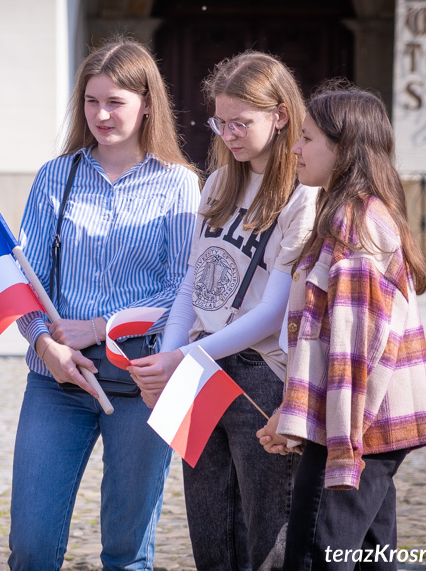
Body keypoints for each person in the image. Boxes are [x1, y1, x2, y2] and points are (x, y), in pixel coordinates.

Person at [9, 37, 201, 570]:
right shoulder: (56, 175)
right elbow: (26, 280)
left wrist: (96, 327)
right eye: (92, 101)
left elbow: (183, 287)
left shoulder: (179, 184)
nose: (101, 114)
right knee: (31, 548)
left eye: (115, 101)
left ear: (146, 103)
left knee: (126, 551)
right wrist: (46, 345)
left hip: (143, 381)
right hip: (57, 382)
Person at [127, 51, 319, 571]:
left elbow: (273, 311)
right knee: (208, 530)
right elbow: (191, 281)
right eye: (221, 122)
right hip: (197, 367)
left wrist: (183, 357)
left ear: (280, 115)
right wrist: (169, 361)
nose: (229, 134)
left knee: (266, 536)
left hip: (259, 374)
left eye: (242, 123)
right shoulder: (217, 182)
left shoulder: (302, 195)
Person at [256, 83, 426, 570]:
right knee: (369, 560)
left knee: (316, 560)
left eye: (308, 137)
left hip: (354, 430)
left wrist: (299, 423)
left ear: (343, 150)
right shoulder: (353, 214)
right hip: (369, 428)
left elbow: (352, 365)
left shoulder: (355, 227)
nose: (294, 147)